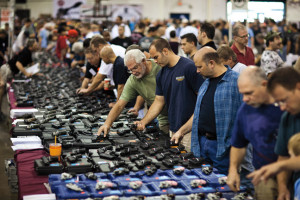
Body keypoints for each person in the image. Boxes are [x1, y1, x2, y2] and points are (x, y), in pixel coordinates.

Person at [171, 47, 242, 174]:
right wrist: (181, 131)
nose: (197, 71)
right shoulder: (205, 84)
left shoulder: (237, 82)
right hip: (202, 145)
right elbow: (198, 115)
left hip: (223, 148)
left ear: (211, 63)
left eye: (200, 67)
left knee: (223, 187)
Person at [136, 38, 204, 152]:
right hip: (173, 129)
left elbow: (202, 101)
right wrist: (143, 121)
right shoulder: (161, 74)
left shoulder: (189, 67)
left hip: (190, 130)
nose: (155, 61)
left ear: (165, 51)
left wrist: (185, 128)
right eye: (153, 58)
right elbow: (158, 101)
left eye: (156, 57)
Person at [227, 66, 283, 199]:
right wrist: (233, 169)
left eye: (249, 93)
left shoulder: (285, 105)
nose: (245, 99)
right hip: (264, 176)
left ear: (264, 85)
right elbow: (238, 144)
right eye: (242, 94)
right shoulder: (246, 109)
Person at [248, 67, 300, 200]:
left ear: (298, 87)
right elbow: (283, 156)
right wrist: (282, 188)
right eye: (278, 103)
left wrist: (278, 166)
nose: (282, 107)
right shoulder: (288, 117)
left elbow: (282, 163)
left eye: (284, 100)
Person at [97, 49, 169, 136]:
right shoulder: (133, 79)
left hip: (179, 114)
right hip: (163, 118)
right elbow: (120, 104)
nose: (133, 72)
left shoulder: (160, 67)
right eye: (130, 70)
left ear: (143, 61)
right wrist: (107, 124)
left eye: (135, 67)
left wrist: (143, 121)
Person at [0, 39, 39, 120]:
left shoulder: (29, 52)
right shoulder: (26, 52)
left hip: (9, 71)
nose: (37, 47)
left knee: (3, 90)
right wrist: (26, 73)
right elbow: (18, 64)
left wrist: (36, 72)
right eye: (35, 46)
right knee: (1, 89)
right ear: (31, 47)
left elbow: (31, 64)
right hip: (7, 70)